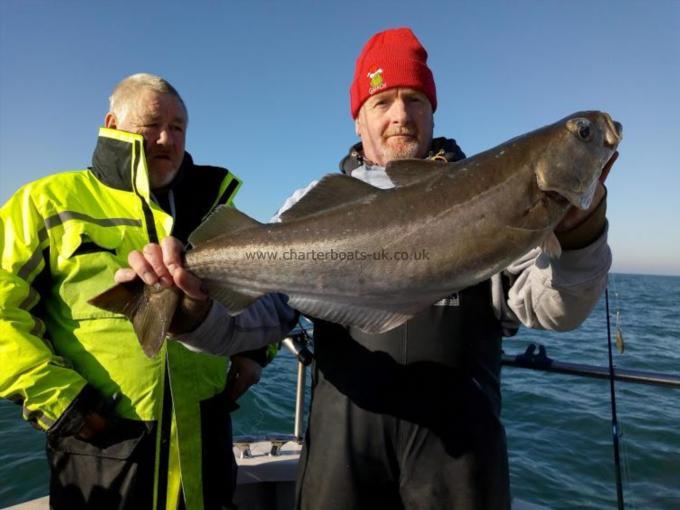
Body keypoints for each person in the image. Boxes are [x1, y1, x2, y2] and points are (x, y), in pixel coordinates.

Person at [123, 28, 615, 510]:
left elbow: (555, 311)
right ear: (358, 120)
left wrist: (579, 236)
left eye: (415, 100)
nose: (400, 115)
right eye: (382, 102)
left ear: (432, 111)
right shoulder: (310, 206)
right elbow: (253, 321)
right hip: (343, 459)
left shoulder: (499, 193)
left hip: (460, 460)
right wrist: (189, 312)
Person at [0, 73, 296, 510]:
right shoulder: (44, 202)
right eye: (152, 124)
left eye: (178, 128)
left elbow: (267, 290)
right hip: (103, 443)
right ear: (112, 122)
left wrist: (255, 355)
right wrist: (65, 405)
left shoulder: (217, 210)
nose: (167, 138)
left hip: (208, 437)